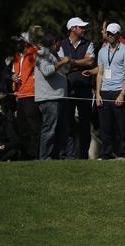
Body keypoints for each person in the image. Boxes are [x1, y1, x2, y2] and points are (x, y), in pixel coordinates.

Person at [59, 17, 96, 159]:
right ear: (72, 29)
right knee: (68, 123)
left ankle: (83, 154)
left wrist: (72, 61)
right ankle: (70, 154)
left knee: (85, 124)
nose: (83, 29)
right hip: (67, 89)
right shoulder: (61, 44)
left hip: (84, 89)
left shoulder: (89, 43)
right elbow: (63, 65)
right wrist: (81, 62)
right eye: (81, 27)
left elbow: (91, 61)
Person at [95, 23, 125, 160]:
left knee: (122, 126)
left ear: (118, 35)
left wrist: (122, 94)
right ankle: (106, 153)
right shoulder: (102, 51)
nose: (109, 36)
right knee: (105, 126)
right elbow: (100, 73)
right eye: (108, 33)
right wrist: (98, 93)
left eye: (112, 33)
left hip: (119, 91)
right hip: (105, 92)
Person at [34, 32, 71, 160]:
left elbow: (63, 71)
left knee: (61, 130)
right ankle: (45, 157)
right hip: (49, 98)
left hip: (59, 97)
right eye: (59, 43)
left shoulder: (53, 55)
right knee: (49, 129)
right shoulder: (41, 54)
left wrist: (64, 62)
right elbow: (46, 71)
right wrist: (62, 62)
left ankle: (56, 155)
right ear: (54, 42)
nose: (60, 46)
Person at [12, 28, 41, 160]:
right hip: (20, 95)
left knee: (33, 127)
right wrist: (13, 77)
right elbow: (14, 71)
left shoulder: (34, 52)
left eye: (19, 41)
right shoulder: (16, 56)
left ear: (24, 42)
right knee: (22, 127)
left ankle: (34, 155)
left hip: (31, 94)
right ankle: (25, 156)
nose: (16, 44)